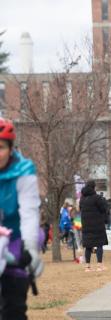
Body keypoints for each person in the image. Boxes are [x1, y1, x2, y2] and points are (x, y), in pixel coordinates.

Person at [0, 118, 43, 319]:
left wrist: (31, 248)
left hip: (17, 237)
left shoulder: (23, 171)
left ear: (10, 148)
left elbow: (29, 212)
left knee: (14, 306)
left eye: (0, 147)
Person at [79, 180, 109, 272]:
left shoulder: (82, 199)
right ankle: (99, 266)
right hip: (97, 225)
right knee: (99, 245)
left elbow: (80, 210)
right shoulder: (97, 198)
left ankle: (87, 267)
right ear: (93, 187)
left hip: (86, 225)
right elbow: (103, 209)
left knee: (88, 246)